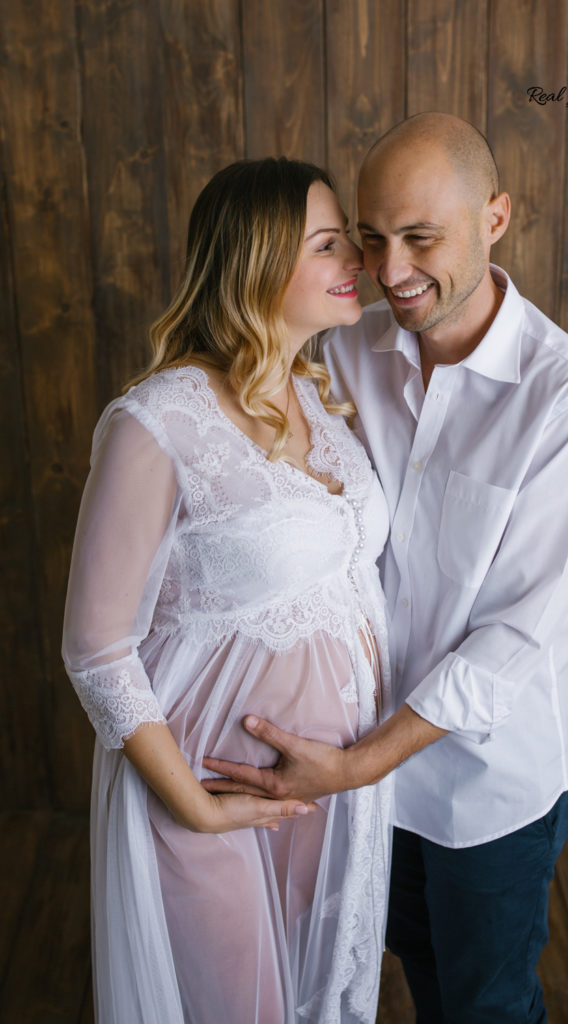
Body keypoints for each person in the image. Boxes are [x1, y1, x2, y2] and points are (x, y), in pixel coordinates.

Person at [202, 114, 568, 1023]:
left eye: (421, 238)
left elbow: (512, 633)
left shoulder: (567, 396)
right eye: (371, 237)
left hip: (483, 781)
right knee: (388, 979)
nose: (390, 272)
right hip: (350, 762)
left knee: (484, 1007)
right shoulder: (347, 345)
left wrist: (355, 766)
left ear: (495, 218)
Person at [62, 157, 393, 1024]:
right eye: (327, 245)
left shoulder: (320, 401)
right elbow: (94, 647)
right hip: (209, 789)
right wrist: (193, 810)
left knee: (313, 996)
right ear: (255, 261)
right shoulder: (159, 420)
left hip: (330, 790)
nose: (353, 260)